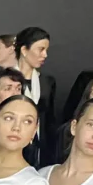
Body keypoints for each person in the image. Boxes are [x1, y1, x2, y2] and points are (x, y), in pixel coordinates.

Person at [13, 27, 57, 163]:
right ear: (24, 50)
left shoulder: (47, 82)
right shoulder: (6, 81)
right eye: (41, 49)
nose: (45, 55)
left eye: (46, 50)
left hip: (40, 151)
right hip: (12, 146)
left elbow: (50, 120)